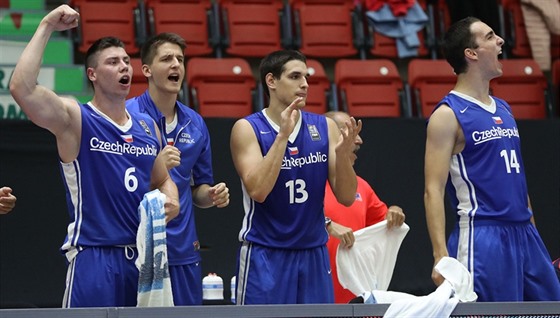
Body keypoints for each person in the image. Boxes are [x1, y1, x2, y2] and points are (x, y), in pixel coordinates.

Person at [9, 5, 180, 307]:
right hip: (94, 256)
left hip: (140, 259)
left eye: (127, 61)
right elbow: (22, 87)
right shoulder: (76, 118)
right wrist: (47, 25)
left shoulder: (146, 126)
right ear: (93, 74)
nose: (124, 67)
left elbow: (162, 178)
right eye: (113, 62)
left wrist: (172, 200)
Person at [424, 16, 560, 301]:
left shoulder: (504, 108)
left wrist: (533, 235)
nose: (500, 41)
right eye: (490, 36)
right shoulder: (447, 115)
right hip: (483, 236)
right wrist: (440, 254)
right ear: (470, 54)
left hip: (524, 232)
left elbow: (517, 179)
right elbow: (432, 190)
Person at [230, 50, 361, 304]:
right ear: (271, 81)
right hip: (266, 253)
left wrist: (343, 156)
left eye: (306, 77)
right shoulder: (247, 128)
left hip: (313, 253)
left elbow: (346, 197)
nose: (304, 84)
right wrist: (282, 137)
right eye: (295, 76)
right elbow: (258, 190)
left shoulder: (325, 127)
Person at [126, 32, 230, 305]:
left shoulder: (195, 123)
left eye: (180, 60)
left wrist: (212, 195)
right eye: (167, 59)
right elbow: (117, 183)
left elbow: (198, 189)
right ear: (146, 69)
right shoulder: (127, 116)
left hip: (184, 249)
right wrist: (156, 166)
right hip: (137, 246)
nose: (176, 65)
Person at [323, 111, 405, 304]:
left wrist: (395, 213)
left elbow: (385, 224)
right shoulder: (307, 183)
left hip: (357, 298)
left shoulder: (362, 187)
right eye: (350, 132)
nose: (359, 140)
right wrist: (327, 224)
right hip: (316, 293)